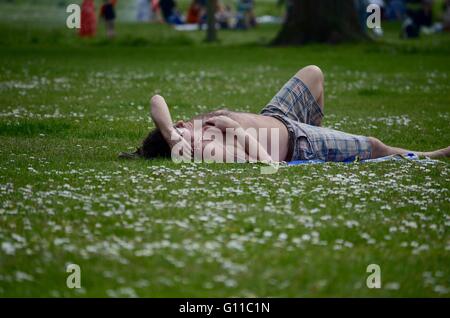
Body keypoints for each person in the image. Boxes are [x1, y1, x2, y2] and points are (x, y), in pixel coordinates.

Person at [120, 65, 450, 163]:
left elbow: (156, 99)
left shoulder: (181, 130)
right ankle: (431, 155)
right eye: (178, 134)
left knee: (314, 74)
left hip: (277, 116)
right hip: (299, 142)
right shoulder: (200, 151)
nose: (184, 126)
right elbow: (267, 164)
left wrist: (169, 129)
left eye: (180, 127)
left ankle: (331, 142)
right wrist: (233, 129)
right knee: (374, 146)